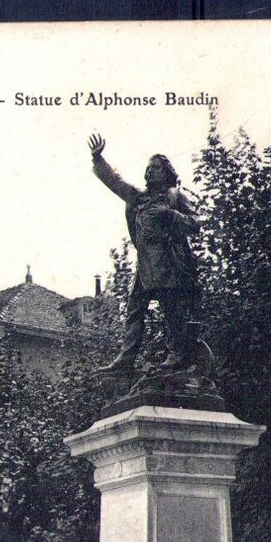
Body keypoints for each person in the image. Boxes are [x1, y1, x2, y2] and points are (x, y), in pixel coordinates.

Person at [88, 134, 200, 381]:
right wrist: (98, 157)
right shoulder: (139, 198)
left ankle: (178, 353)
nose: (150, 172)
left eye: (156, 168)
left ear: (167, 172)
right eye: (147, 168)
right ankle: (125, 360)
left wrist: (170, 215)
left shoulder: (175, 197)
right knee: (134, 311)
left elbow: (195, 224)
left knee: (170, 310)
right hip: (145, 263)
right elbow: (115, 181)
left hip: (167, 262)